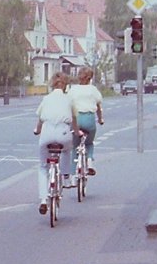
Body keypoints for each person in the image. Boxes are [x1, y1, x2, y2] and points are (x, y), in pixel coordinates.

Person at [32, 72, 78, 215]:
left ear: (52, 84)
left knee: (42, 167)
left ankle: (43, 200)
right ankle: (65, 177)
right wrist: (76, 132)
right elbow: (74, 120)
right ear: (65, 85)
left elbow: (40, 119)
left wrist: (37, 130)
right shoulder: (69, 99)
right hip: (63, 133)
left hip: (47, 133)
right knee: (66, 150)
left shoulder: (46, 99)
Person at [68, 67, 103, 175]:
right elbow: (98, 107)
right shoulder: (93, 90)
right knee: (89, 143)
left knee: (75, 146)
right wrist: (100, 119)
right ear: (90, 78)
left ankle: (73, 175)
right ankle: (89, 161)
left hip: (76, 120)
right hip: (89, 120)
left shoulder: (73, 90)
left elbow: (68, 105)